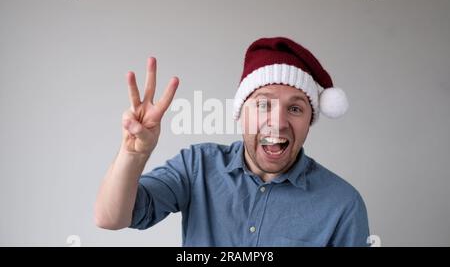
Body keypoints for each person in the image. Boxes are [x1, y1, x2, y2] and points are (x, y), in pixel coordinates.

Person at [95, 37, 370, 246]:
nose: (278, 122)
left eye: (295, 108)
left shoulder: (343, 204)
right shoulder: (197, 166)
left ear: (310, 120)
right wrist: (133, 154)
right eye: (264, 104)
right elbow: (111, 218)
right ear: (241, 113)